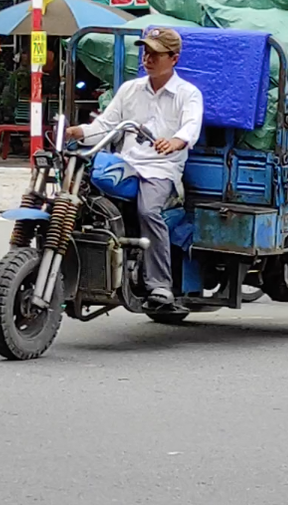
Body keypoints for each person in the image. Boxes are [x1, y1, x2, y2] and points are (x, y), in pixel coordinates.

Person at [66, 27, 204, 305]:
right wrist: (78, 131)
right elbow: (105, 125)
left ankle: (160, 285)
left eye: (155, 54)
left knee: (148, 210)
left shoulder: (188, 94)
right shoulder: (130, 89)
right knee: (85, 196)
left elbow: (191, 128)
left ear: (173, 58)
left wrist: (175, 142)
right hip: (127, 163)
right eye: (145, 52)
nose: (148, 58)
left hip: (162, 170)